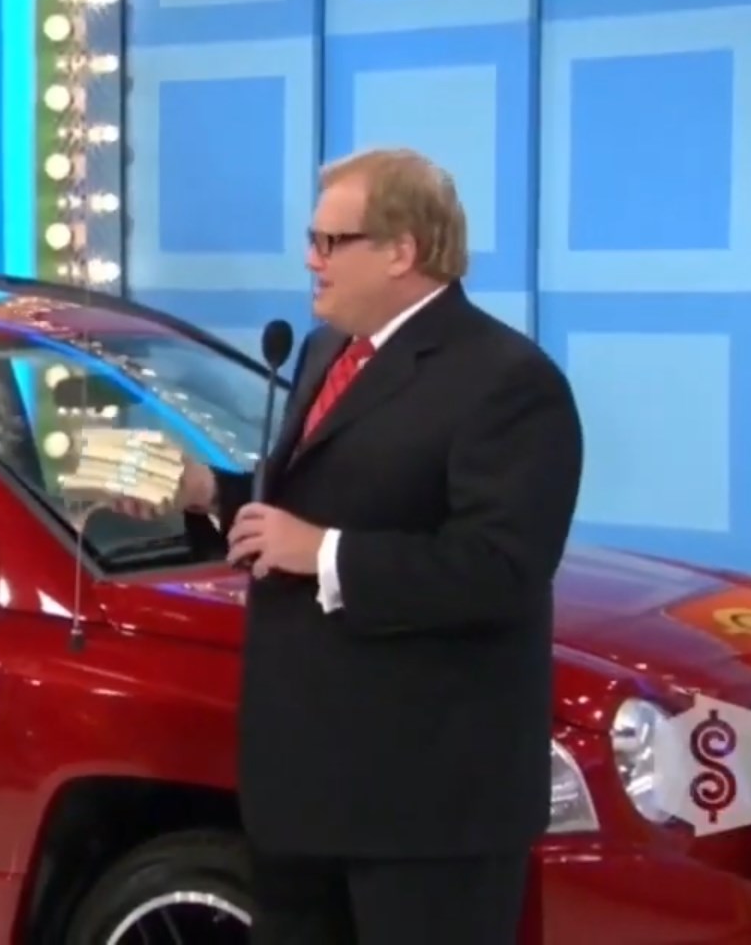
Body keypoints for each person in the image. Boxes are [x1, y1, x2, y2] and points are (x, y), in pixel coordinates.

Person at [149, 148, 584, 943]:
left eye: (329, 241)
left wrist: (325, 554)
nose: (309, 260)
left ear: (401, 250)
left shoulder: (507, 382)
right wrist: (214, 494)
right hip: (306, 793)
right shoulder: (325, 352)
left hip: (426, 811)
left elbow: (499, 571)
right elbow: (311, 509)